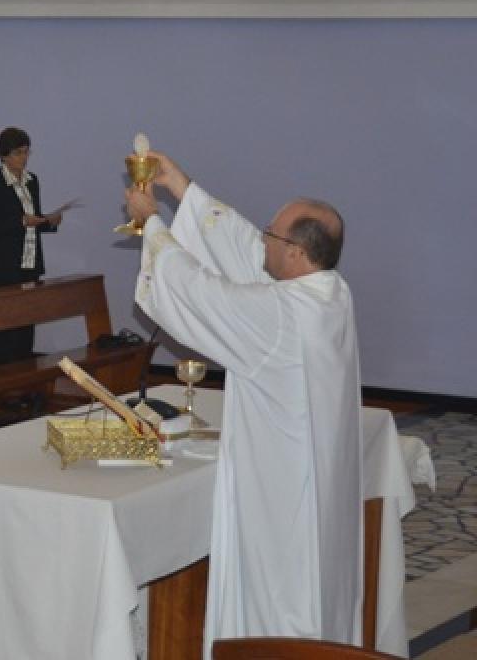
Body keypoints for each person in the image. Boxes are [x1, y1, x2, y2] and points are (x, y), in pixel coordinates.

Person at [123, 150, 359, 651]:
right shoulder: (329, 293)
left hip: (280, 495)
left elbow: (205, 296)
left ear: (296, 252)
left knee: (280, 602)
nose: (262, 239)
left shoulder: (282, 317)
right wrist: (183, 187)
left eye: (274, 235)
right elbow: (248, 248)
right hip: (313, 484)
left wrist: (154, 227)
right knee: (318, 594)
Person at [0, 126, 61, 363]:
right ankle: (4, 386)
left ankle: (24, 384)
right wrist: (21, 221)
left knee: (26, 326)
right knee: (5, 327)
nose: (23, 158)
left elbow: (32, 221)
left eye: (26, 152)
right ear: (4, 156)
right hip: (3, 267)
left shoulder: (32, 182)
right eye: (18, 153)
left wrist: (49, 221)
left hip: (29, 264)